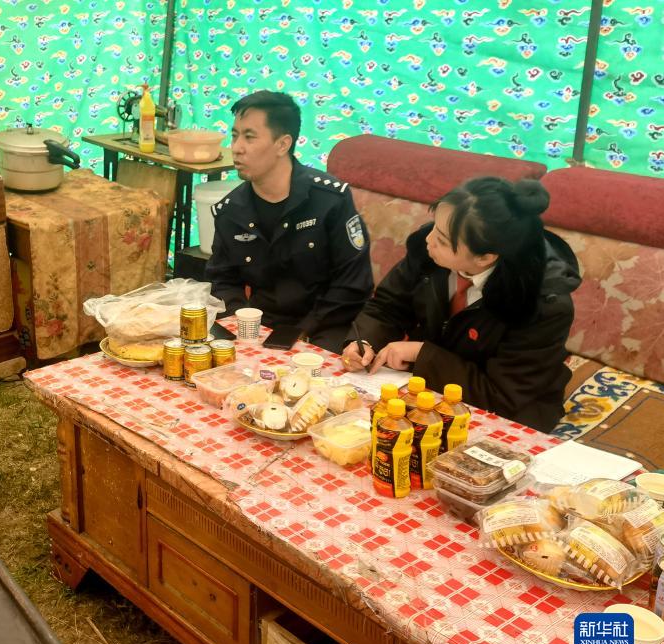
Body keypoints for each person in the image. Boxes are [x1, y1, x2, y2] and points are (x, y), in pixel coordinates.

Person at [341, 177, 581, 432]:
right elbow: (387, 306)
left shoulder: (543, 304)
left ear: (485, 257)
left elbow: (501, 394)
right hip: (429, 383)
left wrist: (422, 354)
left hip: (507, 410)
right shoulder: (429, 253)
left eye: (443, 240)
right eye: (435, 226)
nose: (429, 240)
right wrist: (364, 341)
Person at [205, 90, 374, 351]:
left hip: (327, 325)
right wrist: (243, 322)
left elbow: (352, 285)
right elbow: (222, 280)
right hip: (261, 325)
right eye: (235, 135)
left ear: (283, 144)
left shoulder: (330, 199)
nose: (236, 148)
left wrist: (303, 331)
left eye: (249, 137)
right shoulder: (231, 210)